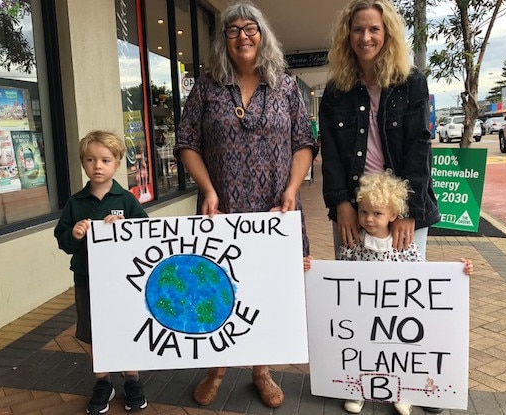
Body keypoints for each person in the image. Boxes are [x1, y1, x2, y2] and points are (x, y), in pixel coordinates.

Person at [173, 1, 317, 409]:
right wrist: (208, 190)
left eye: (250, 28)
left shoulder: (285, 86)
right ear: (223, 40)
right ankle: (217, 367)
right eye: (232, 29)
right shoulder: (206, 87)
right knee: (216, 285)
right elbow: (187, 143)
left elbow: (303, 144)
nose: (242, 36)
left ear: (263, 34)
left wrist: (292, 189)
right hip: (222, 207)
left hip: (276, 207)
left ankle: (261, 369)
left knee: (269, 290)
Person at [337, 170, 473, 415]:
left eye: (377, 213)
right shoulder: (354, 243)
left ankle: (401, 392)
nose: (368, 219)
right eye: (364, 211)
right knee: (366, 351)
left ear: (393, 215)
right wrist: (312, 269)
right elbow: (339, 274)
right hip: (365, 316)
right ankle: (359, 390)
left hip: (398, 318)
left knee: (396, 352)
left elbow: (423, 276)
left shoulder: (404, 245)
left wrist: (457, 271)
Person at [320, 0, 439, 262]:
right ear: (347, 34)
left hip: (400, 207)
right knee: (354, 292)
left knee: (403, 290)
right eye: (357, 30)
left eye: (374, 29)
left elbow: (419, 148)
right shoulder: (335, 91)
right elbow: (330, 154)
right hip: (355, 208)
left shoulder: (411, 82)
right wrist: (341, 204)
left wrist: (406, 210)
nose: (365, 37)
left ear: (387, 33)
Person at [54, 130, 148, 414]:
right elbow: (63, 241)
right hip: (87, 280)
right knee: (94, 332)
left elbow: (145, 235)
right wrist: (75, 233)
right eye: (91, 159)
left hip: (125, 282)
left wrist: (127, 231)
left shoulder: (127, 200)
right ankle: (103, 381)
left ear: (117, 164)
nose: (98, 166)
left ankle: (132, 379)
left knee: (127, 327)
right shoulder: (76, 202)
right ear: (83, 163)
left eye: (105, 160)